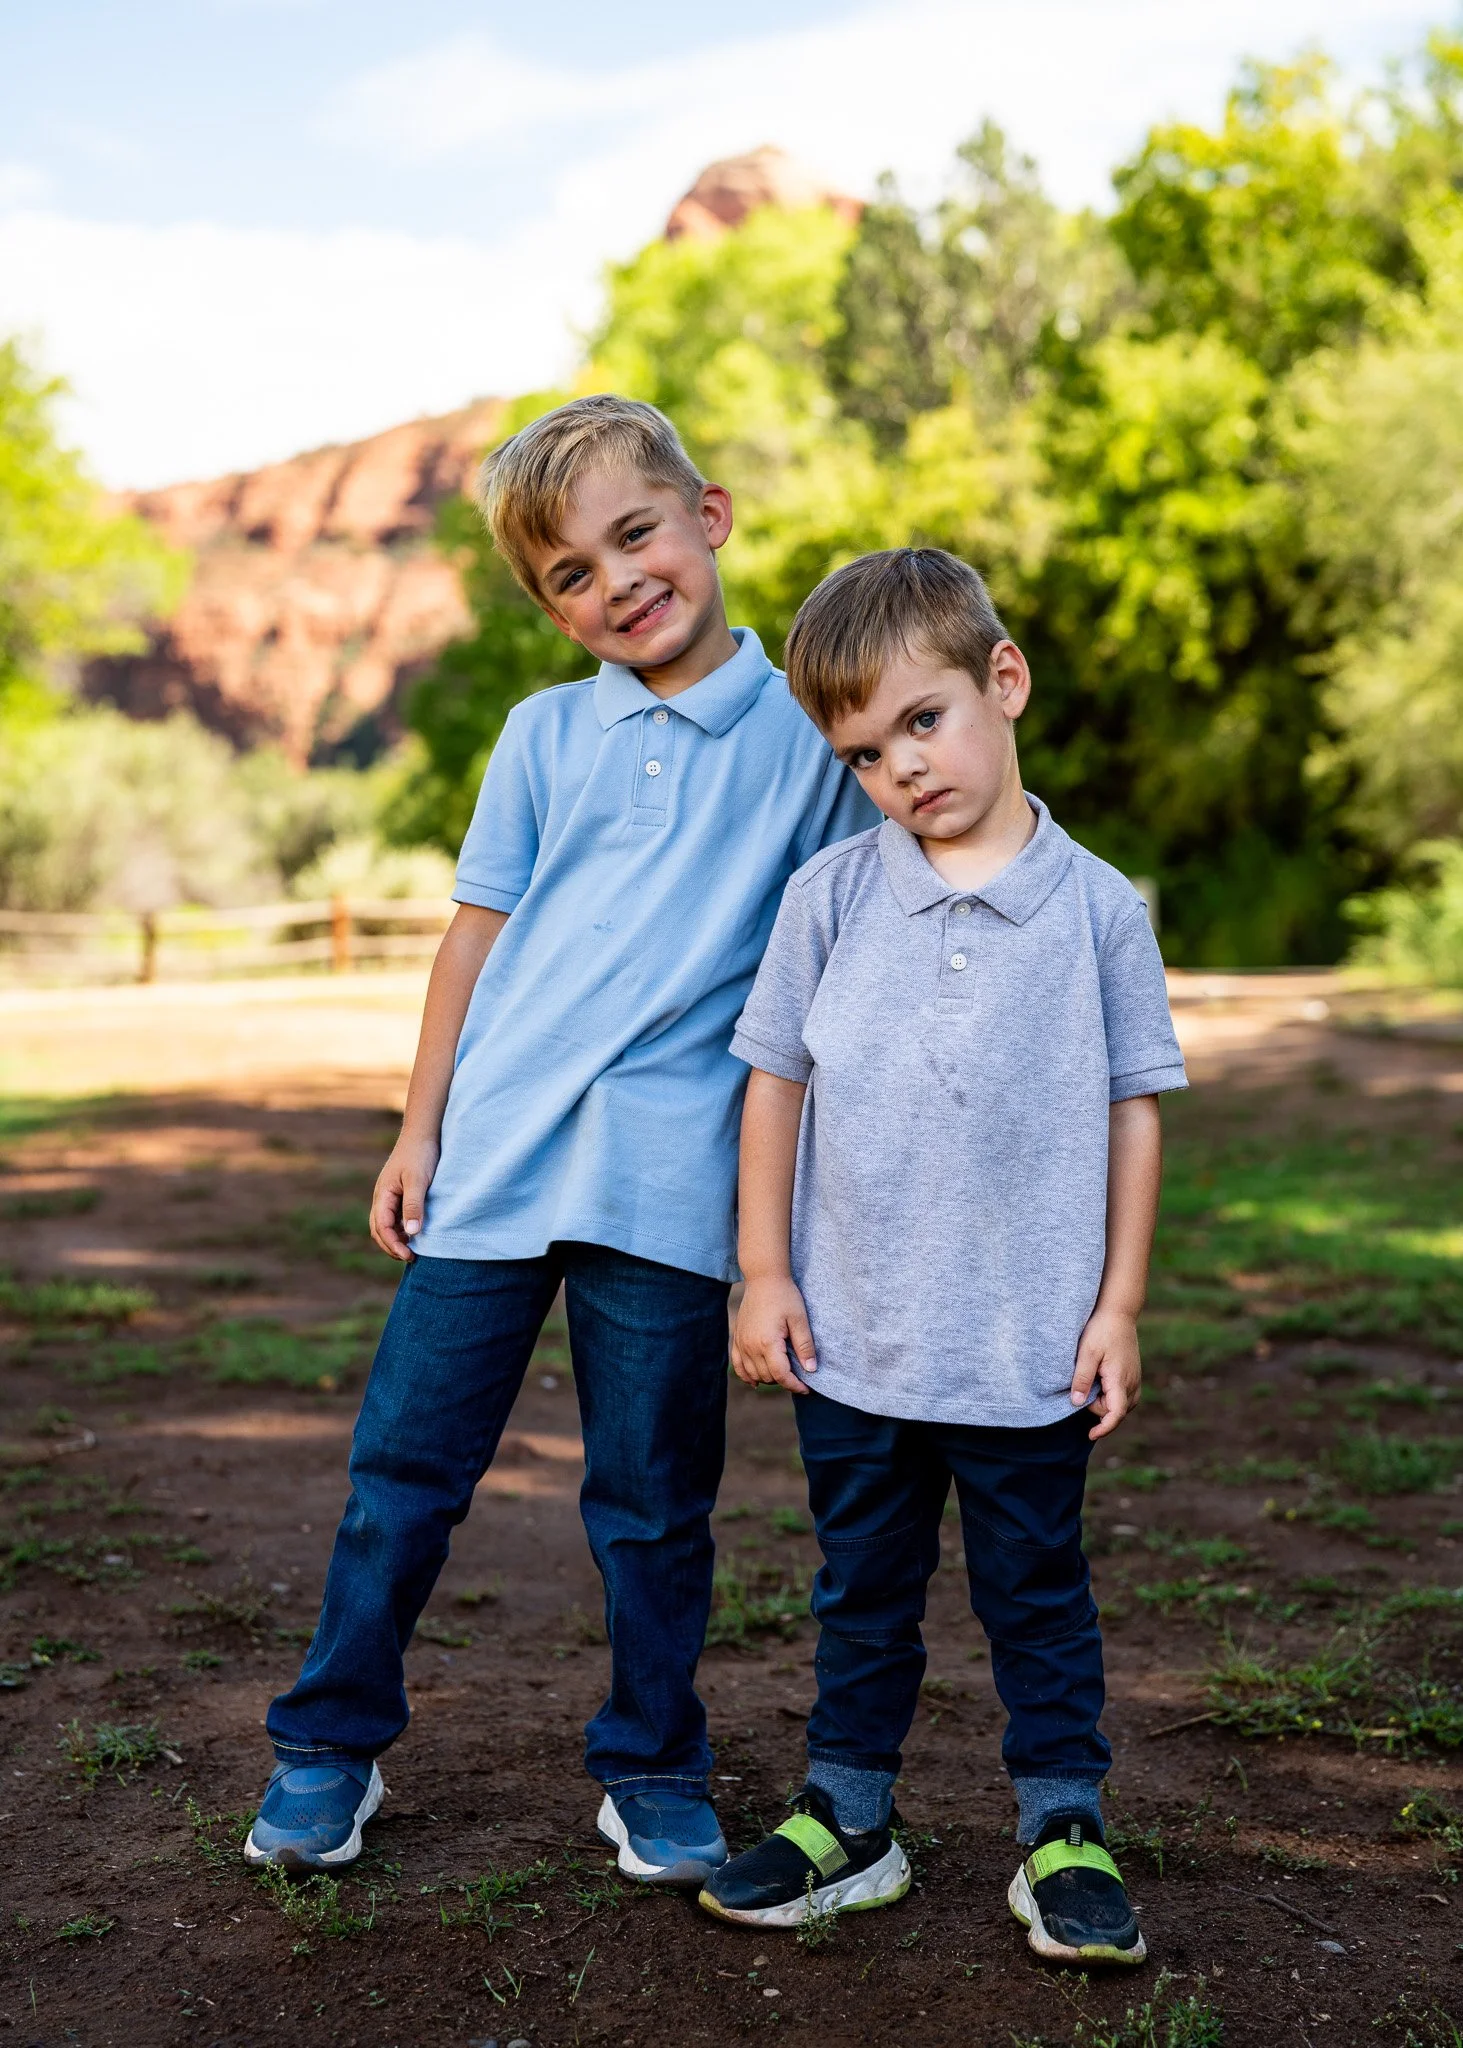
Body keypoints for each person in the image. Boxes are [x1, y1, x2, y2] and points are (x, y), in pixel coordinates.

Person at [243, 396, 874, 1883]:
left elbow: (841, 944)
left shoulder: (802, 729)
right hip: (494, 1163)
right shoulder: (539, 735)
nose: (615, 584)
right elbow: (472, 940)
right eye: (570, 576)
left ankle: (650, 1761)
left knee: (653, 1504)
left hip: (669, 1179)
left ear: (705, 517)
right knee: (401, 1472)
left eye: (634, 536)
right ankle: (328, 1746)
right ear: (548, 608)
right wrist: (420, 1130)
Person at [698, 548, 1186, 1964]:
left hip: (1025, 1344)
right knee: (862, 1587)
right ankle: (846, 1820)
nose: (901, 768)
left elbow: (1131, 1110)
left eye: (923, 720)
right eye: (861, 752)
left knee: (1035, 1593)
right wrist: (765, 1273)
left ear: (1003, 681)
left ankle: (1061, 1827)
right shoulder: (831, 900)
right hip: (853, 1336)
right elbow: (773, 1082)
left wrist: (1118, 1304)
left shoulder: (1098, 910)